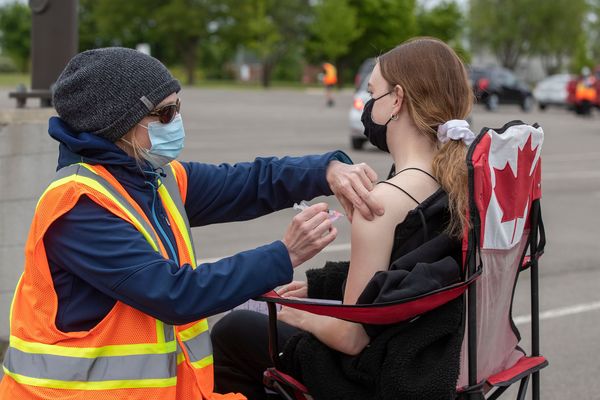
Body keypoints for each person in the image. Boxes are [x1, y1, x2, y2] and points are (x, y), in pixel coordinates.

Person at [0, 47, 385, 400]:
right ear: (119, 123)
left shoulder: (154, 177)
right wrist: (284, 254)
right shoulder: (80, 206)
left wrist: (327, 170)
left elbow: (249, 182)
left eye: (178, 107)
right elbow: (176, 294)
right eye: (164, 113)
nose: (177, 121)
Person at [211, 37, 474, 399]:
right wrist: (321, 291)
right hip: (429, 355)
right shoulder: (458, 180)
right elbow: (402, 275)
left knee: (234, 328)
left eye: (373, 93)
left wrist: (295, 314)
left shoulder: (382, 200)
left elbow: (351, 338)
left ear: (397, 100)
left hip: (373, 374)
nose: (368, 105)